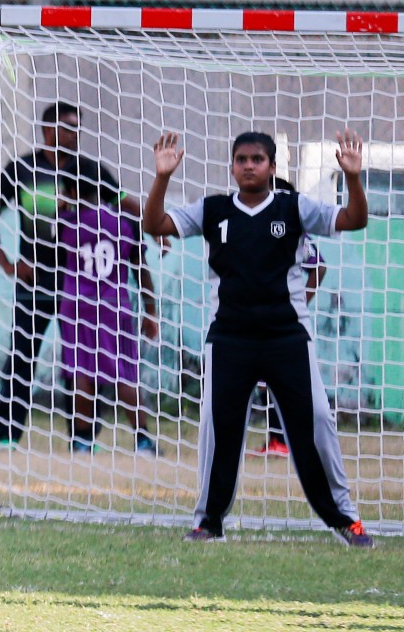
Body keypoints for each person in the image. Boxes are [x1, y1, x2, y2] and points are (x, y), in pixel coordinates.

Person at [142, 130, 373, 547]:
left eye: (258, 159)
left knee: (317, 421)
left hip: (287, 337)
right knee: (218, 426)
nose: (249, 165)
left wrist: (353, 179)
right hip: (229, 338)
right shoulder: (212, 209)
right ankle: (208, 521)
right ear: (232, 166)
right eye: (242, 159)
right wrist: (162, 178)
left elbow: (354, 220)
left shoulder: (295, 207)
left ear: (271, 167)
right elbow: (154, 223)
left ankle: (346, 520)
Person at [0, 103, 135, 447]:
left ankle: (83, 437)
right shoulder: (22, 169)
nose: (74, 134)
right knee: (23, 353)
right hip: (35, 279)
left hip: (82, 283)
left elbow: (124, 203)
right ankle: (6, 434)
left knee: (82, 361)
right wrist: (9, 264)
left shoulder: (91, 170)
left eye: (77, 128)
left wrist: (158, 225)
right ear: (48, 130)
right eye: (68, 127)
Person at [56, 174, 159, 453]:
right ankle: (143, 440)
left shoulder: (68, 224)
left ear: (74, 190)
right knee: (124, 372)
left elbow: (53, 246)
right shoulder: (125, 224)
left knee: (82, 371)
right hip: (114, 307)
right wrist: (151, 312)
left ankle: (82, 440)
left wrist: (61, 210)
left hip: (77, 307)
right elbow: (141, 269)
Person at [249, 178, 328, 458]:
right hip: (256, 317)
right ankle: (276, 440)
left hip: (278, 320)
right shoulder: (254, 228)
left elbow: (319, 267)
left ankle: (282, 440)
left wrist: (298, 302)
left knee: (277, 379)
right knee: (263, 380)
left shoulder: (292, 232)